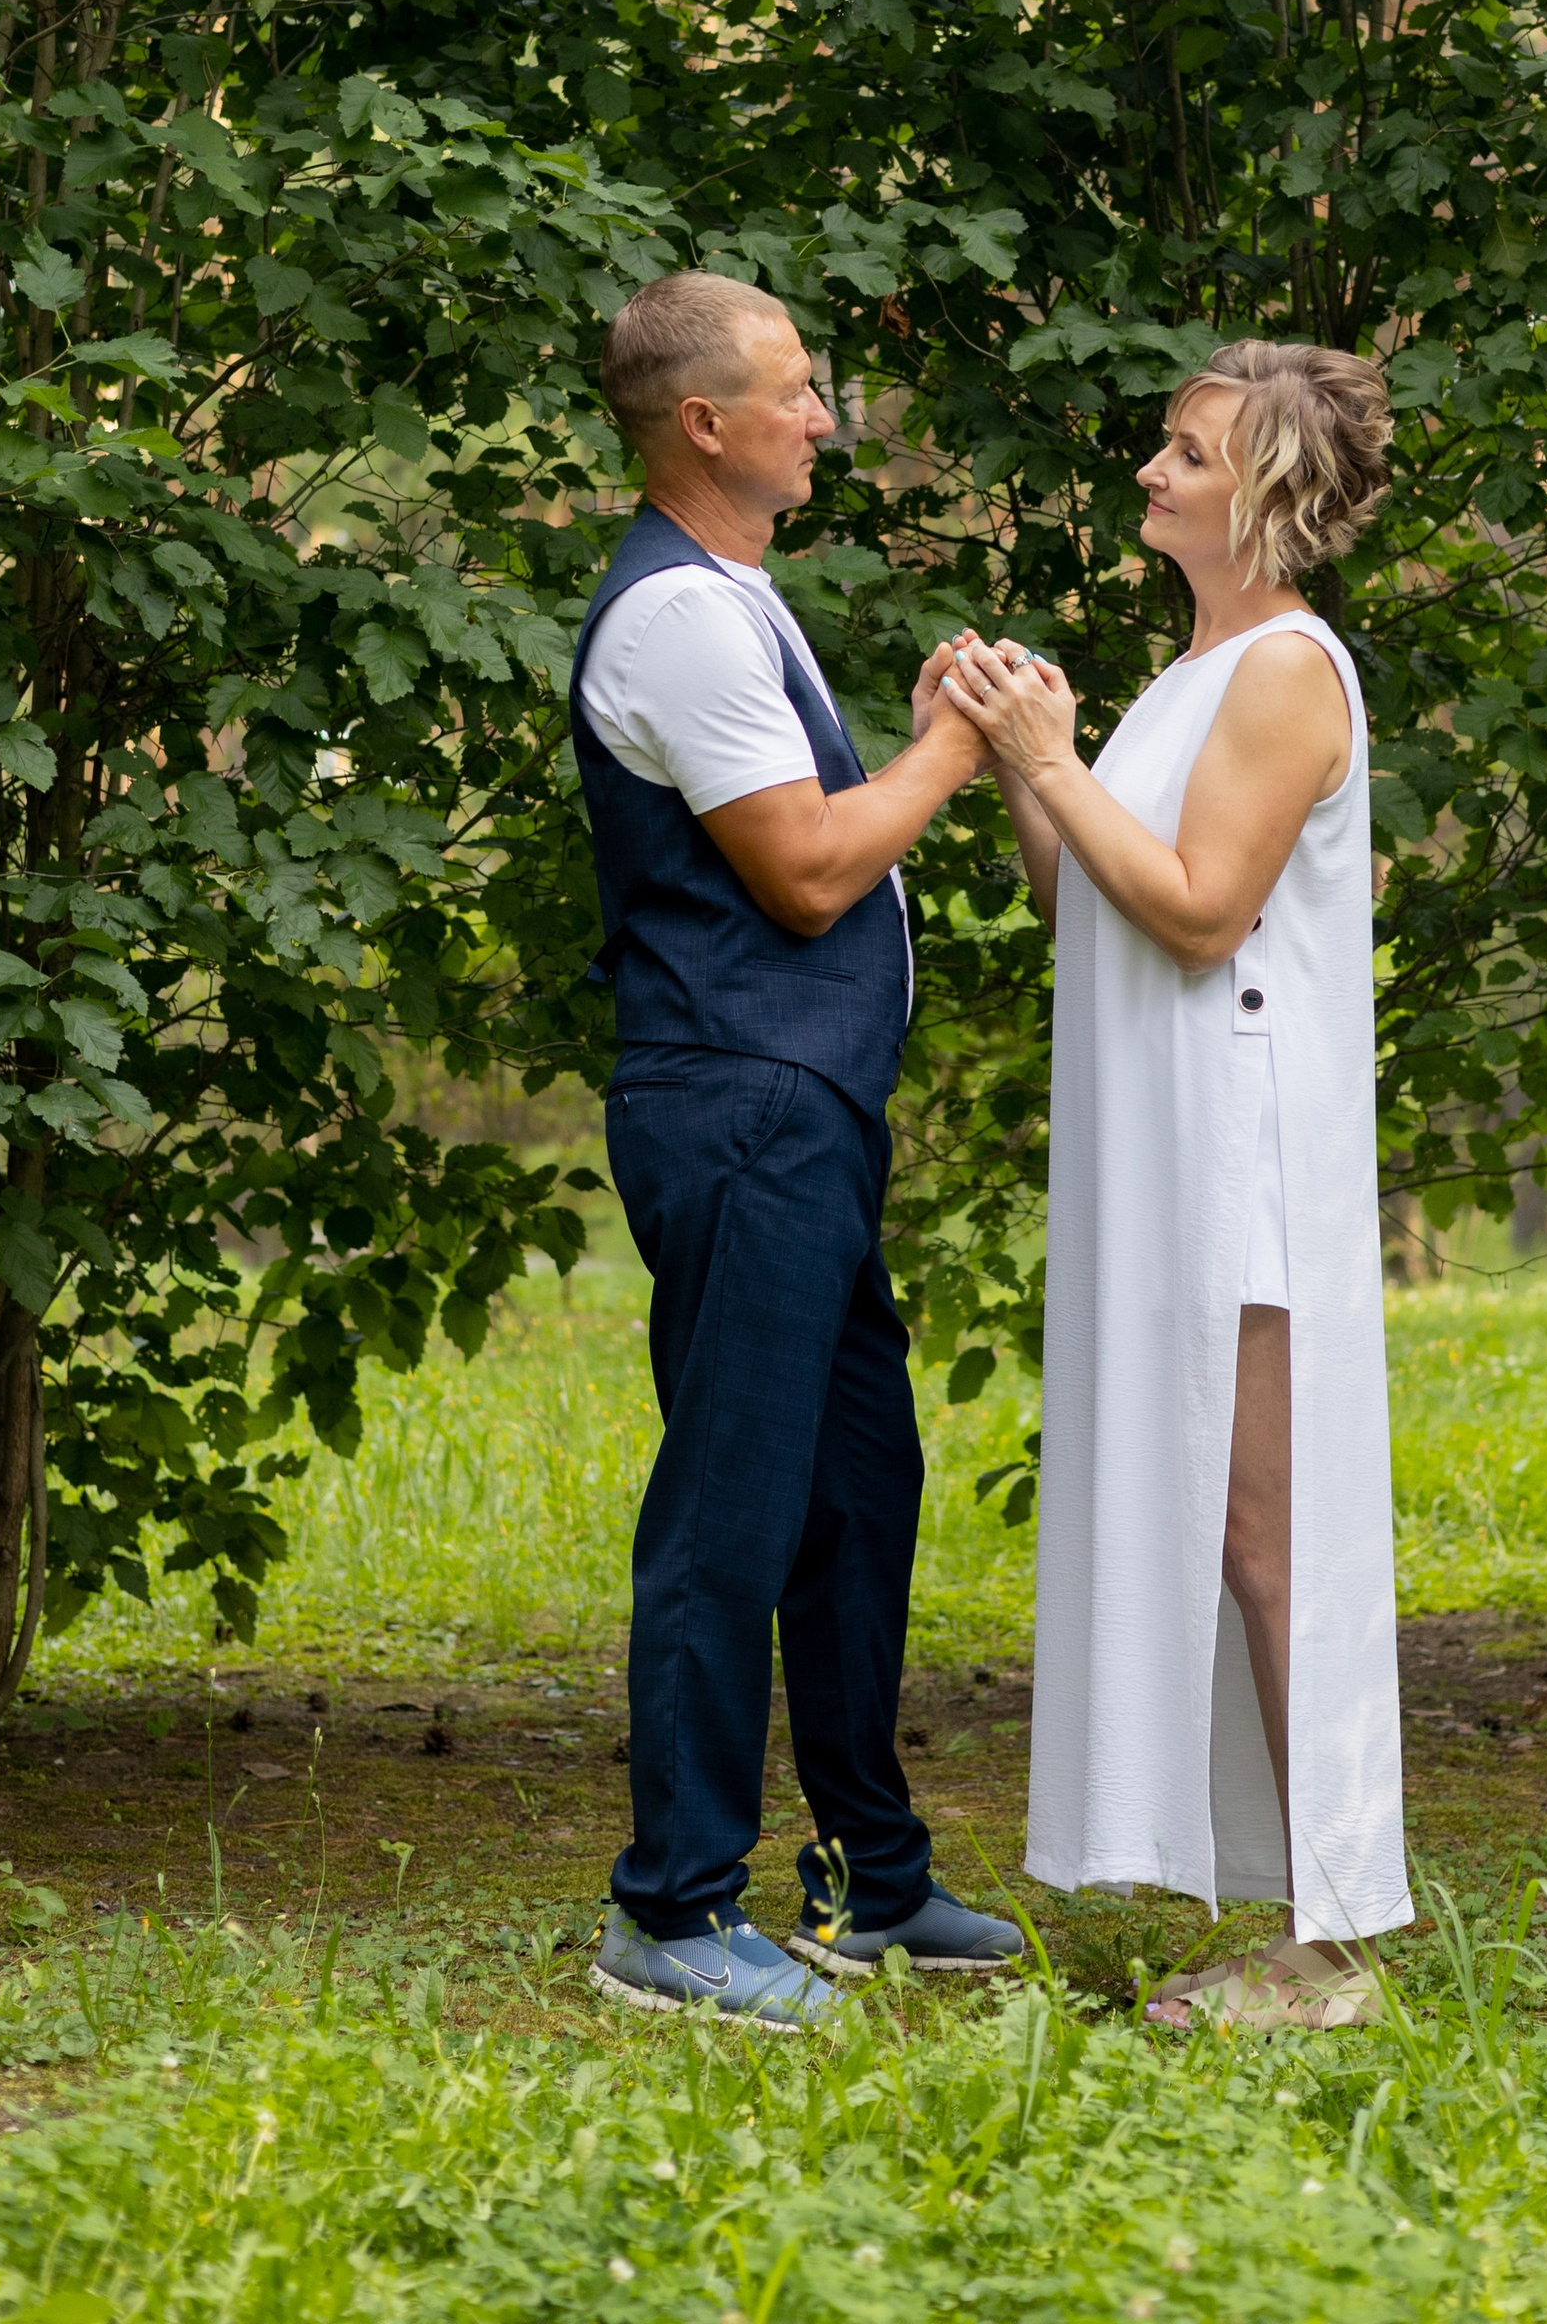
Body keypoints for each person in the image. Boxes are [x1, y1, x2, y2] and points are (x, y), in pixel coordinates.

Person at [570, 270, 1023, 2024]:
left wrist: (913, 743)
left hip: (804, 1112)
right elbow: (814, 869)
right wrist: (955, 746)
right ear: (705, 423)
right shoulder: (680, 616)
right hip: (743, 1102)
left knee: (855, 1490)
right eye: (798, 389)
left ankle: (871, 1885)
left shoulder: (738, 601)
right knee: (734, 1509)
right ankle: (670, 1914)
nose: (826, 414)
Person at [943, 339, 1410, 2027]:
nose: (1152, 470)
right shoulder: (1189, 672)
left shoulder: (1288, 670)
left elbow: (1209, 910)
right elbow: (1096, 909)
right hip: (1158, 1143)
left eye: (1190, 453)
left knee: (1272, 1536)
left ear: (1269, 496)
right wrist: (1021, 756)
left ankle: (1334, 1945)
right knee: (1215, 1525)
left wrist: (1058, 761)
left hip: (1244, 1151)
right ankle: (1276, 1903)